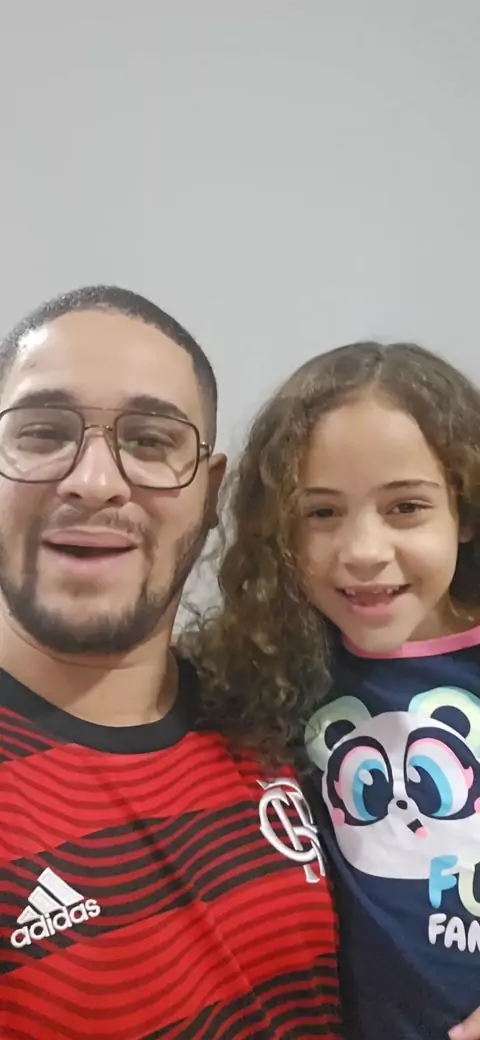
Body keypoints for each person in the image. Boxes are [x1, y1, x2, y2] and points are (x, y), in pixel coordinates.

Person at [0, 285, 341, 1040]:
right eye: (42, 433)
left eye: (151, 442)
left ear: (210, 494)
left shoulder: (279, 719)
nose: (94, 482)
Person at [191, 341, 480, 1040]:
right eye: (321, 513)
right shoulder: (274, 674)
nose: (363, 552)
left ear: (465, 511)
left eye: (406, 507)